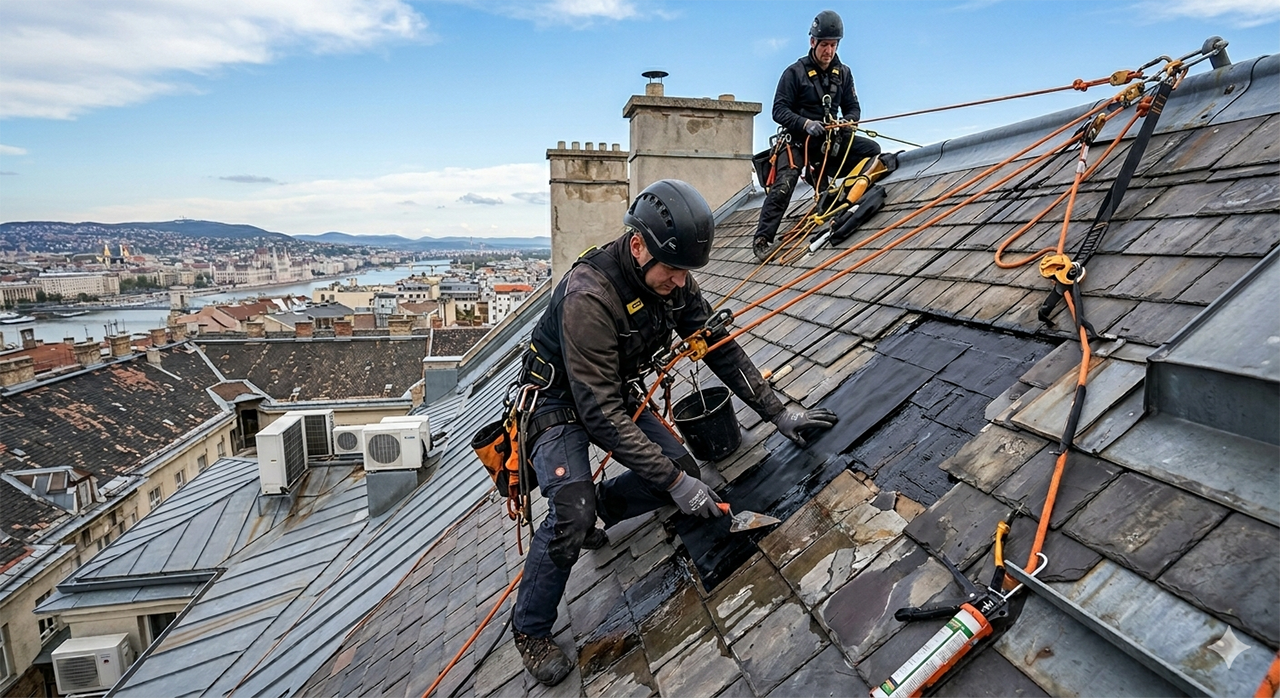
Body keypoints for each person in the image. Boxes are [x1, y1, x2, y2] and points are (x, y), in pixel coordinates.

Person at [510, 179, 839, 685]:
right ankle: (530, 627)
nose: (681, 283)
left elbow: (718, 347)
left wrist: (780, 414)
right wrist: (677, 487)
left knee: (680, 468)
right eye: (672, 270)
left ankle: (600, 506)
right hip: (558, 404)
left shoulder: (675, 281)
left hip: (608, 391)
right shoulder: (589, 296)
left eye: (687, 272)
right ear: (637, 245)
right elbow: (599, 415)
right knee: (573, 508)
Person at [753, 9, 882, 262]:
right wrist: (805, 123)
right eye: (825, 45)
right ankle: (762, 239)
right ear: (813, 42)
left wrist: (848, 123)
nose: (829, 51)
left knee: (872, 151)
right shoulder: (794, 73)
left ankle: (842, 194)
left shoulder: (843, 73)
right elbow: (778, 110)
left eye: (834, 45)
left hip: (830, 143)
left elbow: (853, 108)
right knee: (785, 183)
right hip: (798, 142)